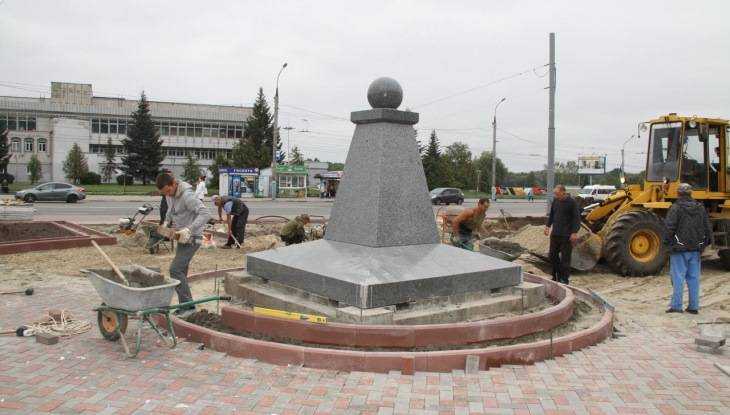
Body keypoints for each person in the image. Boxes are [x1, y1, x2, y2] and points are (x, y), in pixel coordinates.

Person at [156, 172, 211, 316]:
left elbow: (206, 214)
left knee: (175, 270)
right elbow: (170, 210)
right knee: (181, 272)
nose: (167, 195)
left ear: (174, 183)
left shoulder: (187, 196)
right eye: (164, 193)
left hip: (193, 238)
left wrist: (189, 229)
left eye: (168, 191)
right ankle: (184, 307)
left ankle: (189, 307)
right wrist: (166, 223)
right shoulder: (169, 195)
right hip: (182, 237)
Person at [664, 183, 712, 314]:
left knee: (678, 278)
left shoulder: (675, 208)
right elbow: (707, 228)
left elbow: (669, 227)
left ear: (678, 193)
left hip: (679, 249)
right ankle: (693, 307)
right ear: (691, 193)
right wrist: (704, 245)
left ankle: (676, 306)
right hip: (696, 249)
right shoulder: (700, 208)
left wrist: (667, 244)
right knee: (694, 279)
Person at [544, 184, 580, 284]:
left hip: (567, 235)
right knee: (552, 255)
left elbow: (577, 219)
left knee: (565, 258)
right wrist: (547, 226)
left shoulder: (572, 203)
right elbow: (552, 215)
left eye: (557, 193)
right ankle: (556, 275)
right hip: (555, 233)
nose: (555, 195)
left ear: (563, 192)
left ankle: (564, 279)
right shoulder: (555, 201)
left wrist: (574, 232)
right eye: (555, 193)